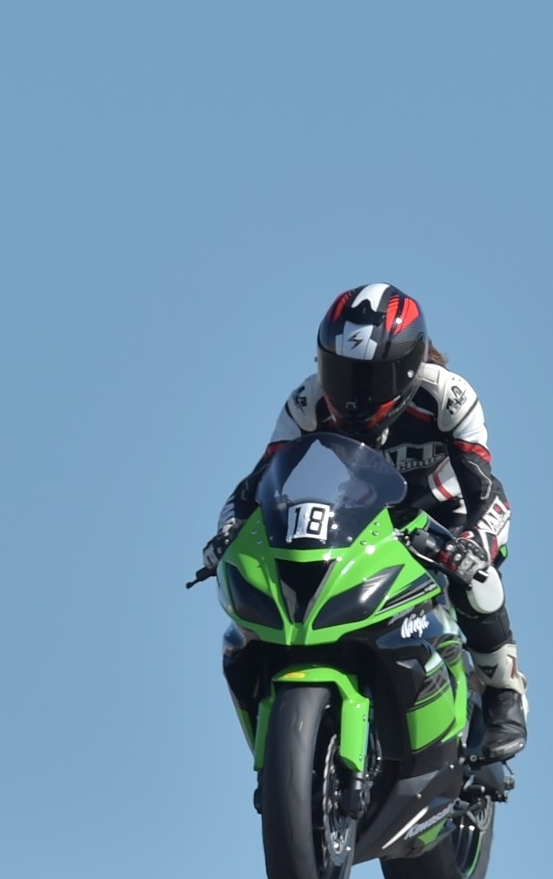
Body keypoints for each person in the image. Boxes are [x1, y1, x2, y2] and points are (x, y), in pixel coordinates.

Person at [202, 283, 527, 761]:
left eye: (373, 378)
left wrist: (471, 544)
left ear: (411, 366)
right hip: (360, 515)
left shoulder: (448, 396)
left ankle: (503, 693)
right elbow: (260, 483)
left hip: (443, 512)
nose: (354, 395)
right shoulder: (306, 402)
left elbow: (484, 488)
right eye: (341, 373)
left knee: (477, 582)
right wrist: (228, 532)